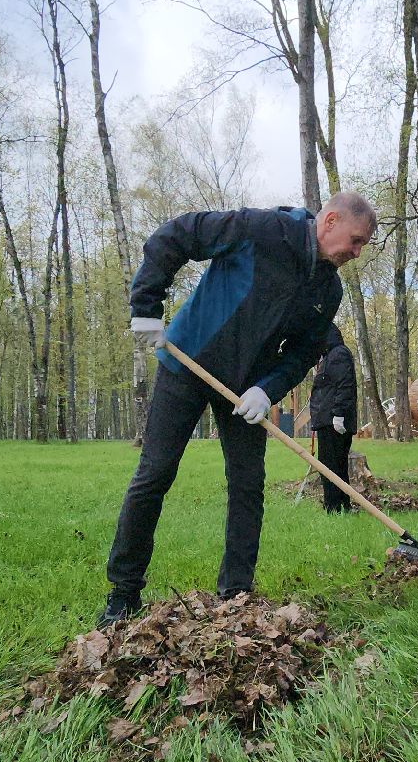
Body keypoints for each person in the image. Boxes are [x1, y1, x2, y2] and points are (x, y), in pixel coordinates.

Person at [102, 193, 376, 625]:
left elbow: (304, 353)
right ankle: (123, 593)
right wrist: (146, 308)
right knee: (155, 474)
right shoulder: (260, 229)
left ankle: (236, 596)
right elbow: (175, 236)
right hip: (187, 362)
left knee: (247, 487)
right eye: (356, 241)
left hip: (245, 394)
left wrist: (267, 390)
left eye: (362, 246)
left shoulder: (329, 289)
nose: (356, 253)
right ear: (331, 220)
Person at [307, 323, 357, 514]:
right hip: (327, 421)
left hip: (333, 422)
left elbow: (345, 385)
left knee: (331, 467)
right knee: (336, 466)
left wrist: (338, 414)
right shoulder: (329, 357)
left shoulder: (338, 354)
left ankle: (334, 507)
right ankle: (342, 506)